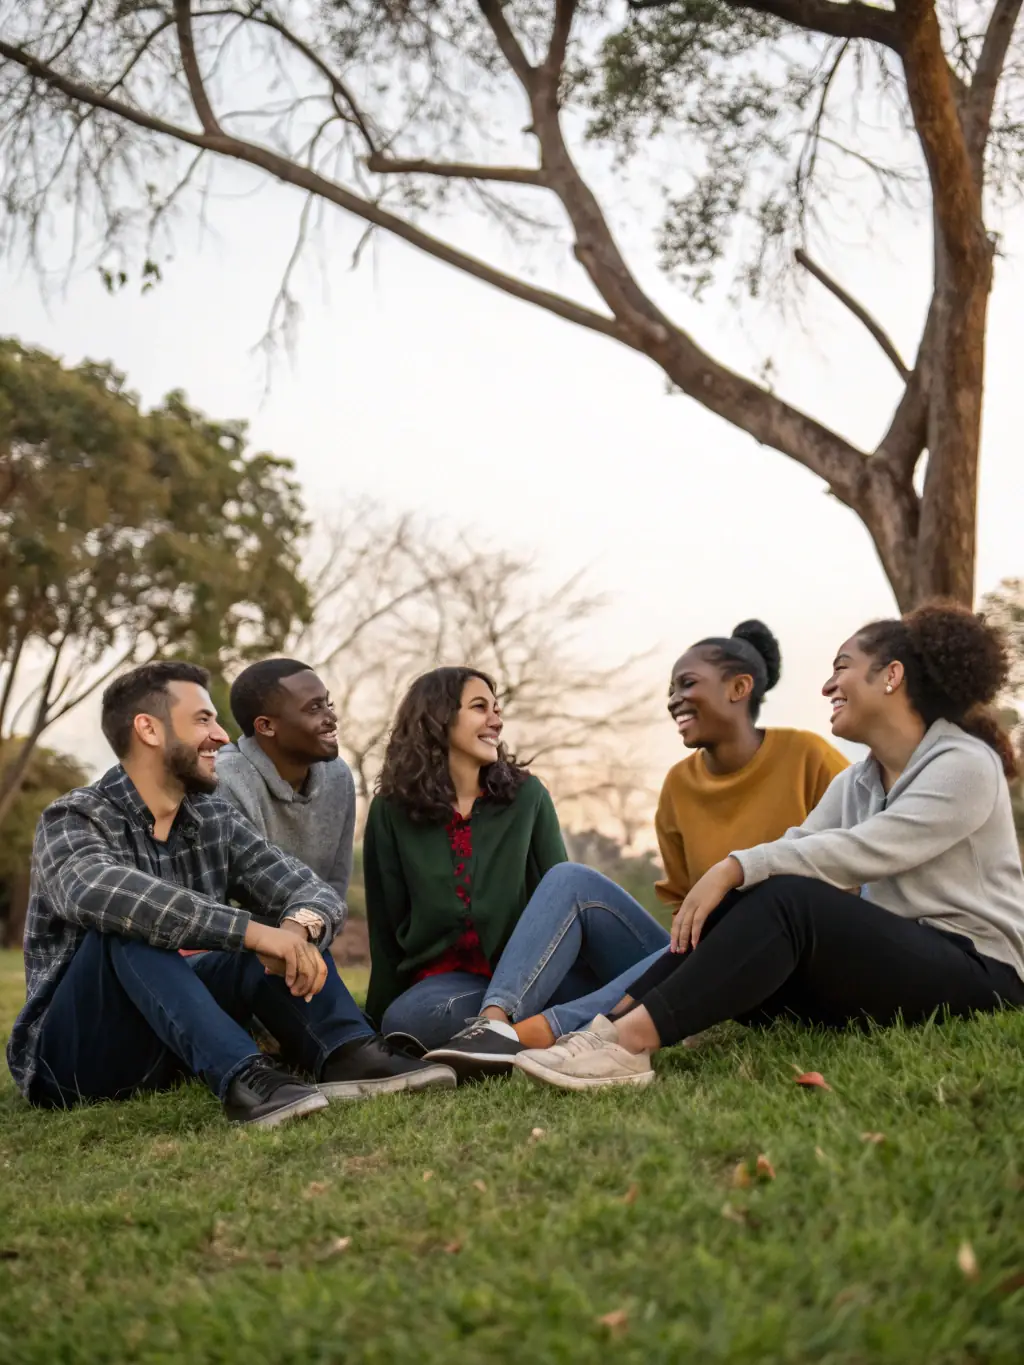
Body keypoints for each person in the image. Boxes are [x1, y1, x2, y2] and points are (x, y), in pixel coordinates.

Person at [510, 603, 1024, 1091]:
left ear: (891, 676)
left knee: (788, 897)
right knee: (753, 896)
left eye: (841, 668)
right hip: (897, 968)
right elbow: (796, 847)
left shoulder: (964, 763)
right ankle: (605, 1027)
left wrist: (735, 866)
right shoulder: (858, 783)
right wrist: (738, 877)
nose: (827, 685)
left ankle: (628, 1044)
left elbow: (867, 850)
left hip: (981, 972)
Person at [6, 662, 455, 1128]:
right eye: (203, 720)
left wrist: (295, 928)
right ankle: (246, 1076)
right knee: (129, 930)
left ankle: (349, 1052)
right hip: (76, 1062)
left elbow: (308, 888)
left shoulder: (211, 817)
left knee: (258, 947)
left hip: (170, 1047)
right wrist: (254, 933)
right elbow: (100, 892)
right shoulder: (75, 817)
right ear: (148, 729)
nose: (222, 737)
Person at [426, 620, 849, 1080]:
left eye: (687, 684)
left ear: (739, 687)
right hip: (692, 959)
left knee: (732, 917)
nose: (673, 699)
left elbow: (852, 868)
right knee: (570, 879)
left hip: (776, 959)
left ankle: (542, 1034)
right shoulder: (679, 784)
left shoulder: (809, 757)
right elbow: (684, 907)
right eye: (670, 689)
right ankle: (493, 1026)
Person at [363, 667, 568, 1050]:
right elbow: (386, 925)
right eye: (480, 707)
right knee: (408, 1021)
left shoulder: (527, 797)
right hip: (447, 985)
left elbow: (560, 896)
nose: (497, 720)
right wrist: (374, 1024)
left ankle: (509, 1030)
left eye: (497, 708)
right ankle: (537, 1029)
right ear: (438, 718)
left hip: (526, 974)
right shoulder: (391, 810)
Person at [216, 659, 356, 904]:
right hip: (240, 937)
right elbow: (225, 894)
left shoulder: (338, 775)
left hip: (315, 930)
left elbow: (337, 879)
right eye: (314, 708)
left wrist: (316, 929)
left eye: (328, 703)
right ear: (266, 726)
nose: (331, 716)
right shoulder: (226, 781)